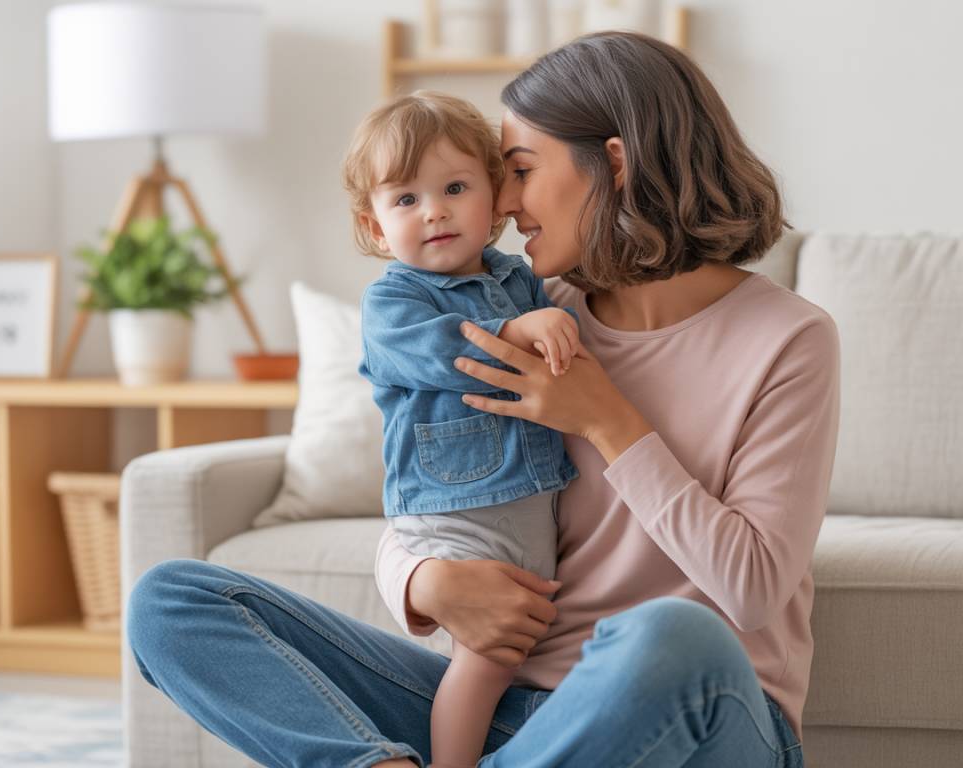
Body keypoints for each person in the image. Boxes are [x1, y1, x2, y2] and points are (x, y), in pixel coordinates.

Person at [126, 30, 838, 768]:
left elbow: (751, 590)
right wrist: (427, 582)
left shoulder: (787, 339)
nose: (505, 202)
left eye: (520, 171)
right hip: (512, 715)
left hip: (691, 714)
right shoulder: (527, 315)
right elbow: (437, 496)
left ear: (615, 164)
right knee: (171, 602)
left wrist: (607, 420)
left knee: (673, 636)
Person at [344, 90, 581, 768]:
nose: (435, 211)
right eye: (406, 199)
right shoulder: (393, 299)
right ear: (375, 227)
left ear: (496, 198)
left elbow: (567, 339)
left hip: (525, 502)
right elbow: (439, 350)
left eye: (454, 188)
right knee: (484, 660)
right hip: (451, 507)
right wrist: (516, 332)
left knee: (508, 657)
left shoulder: (520, 277)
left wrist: (552, 324)